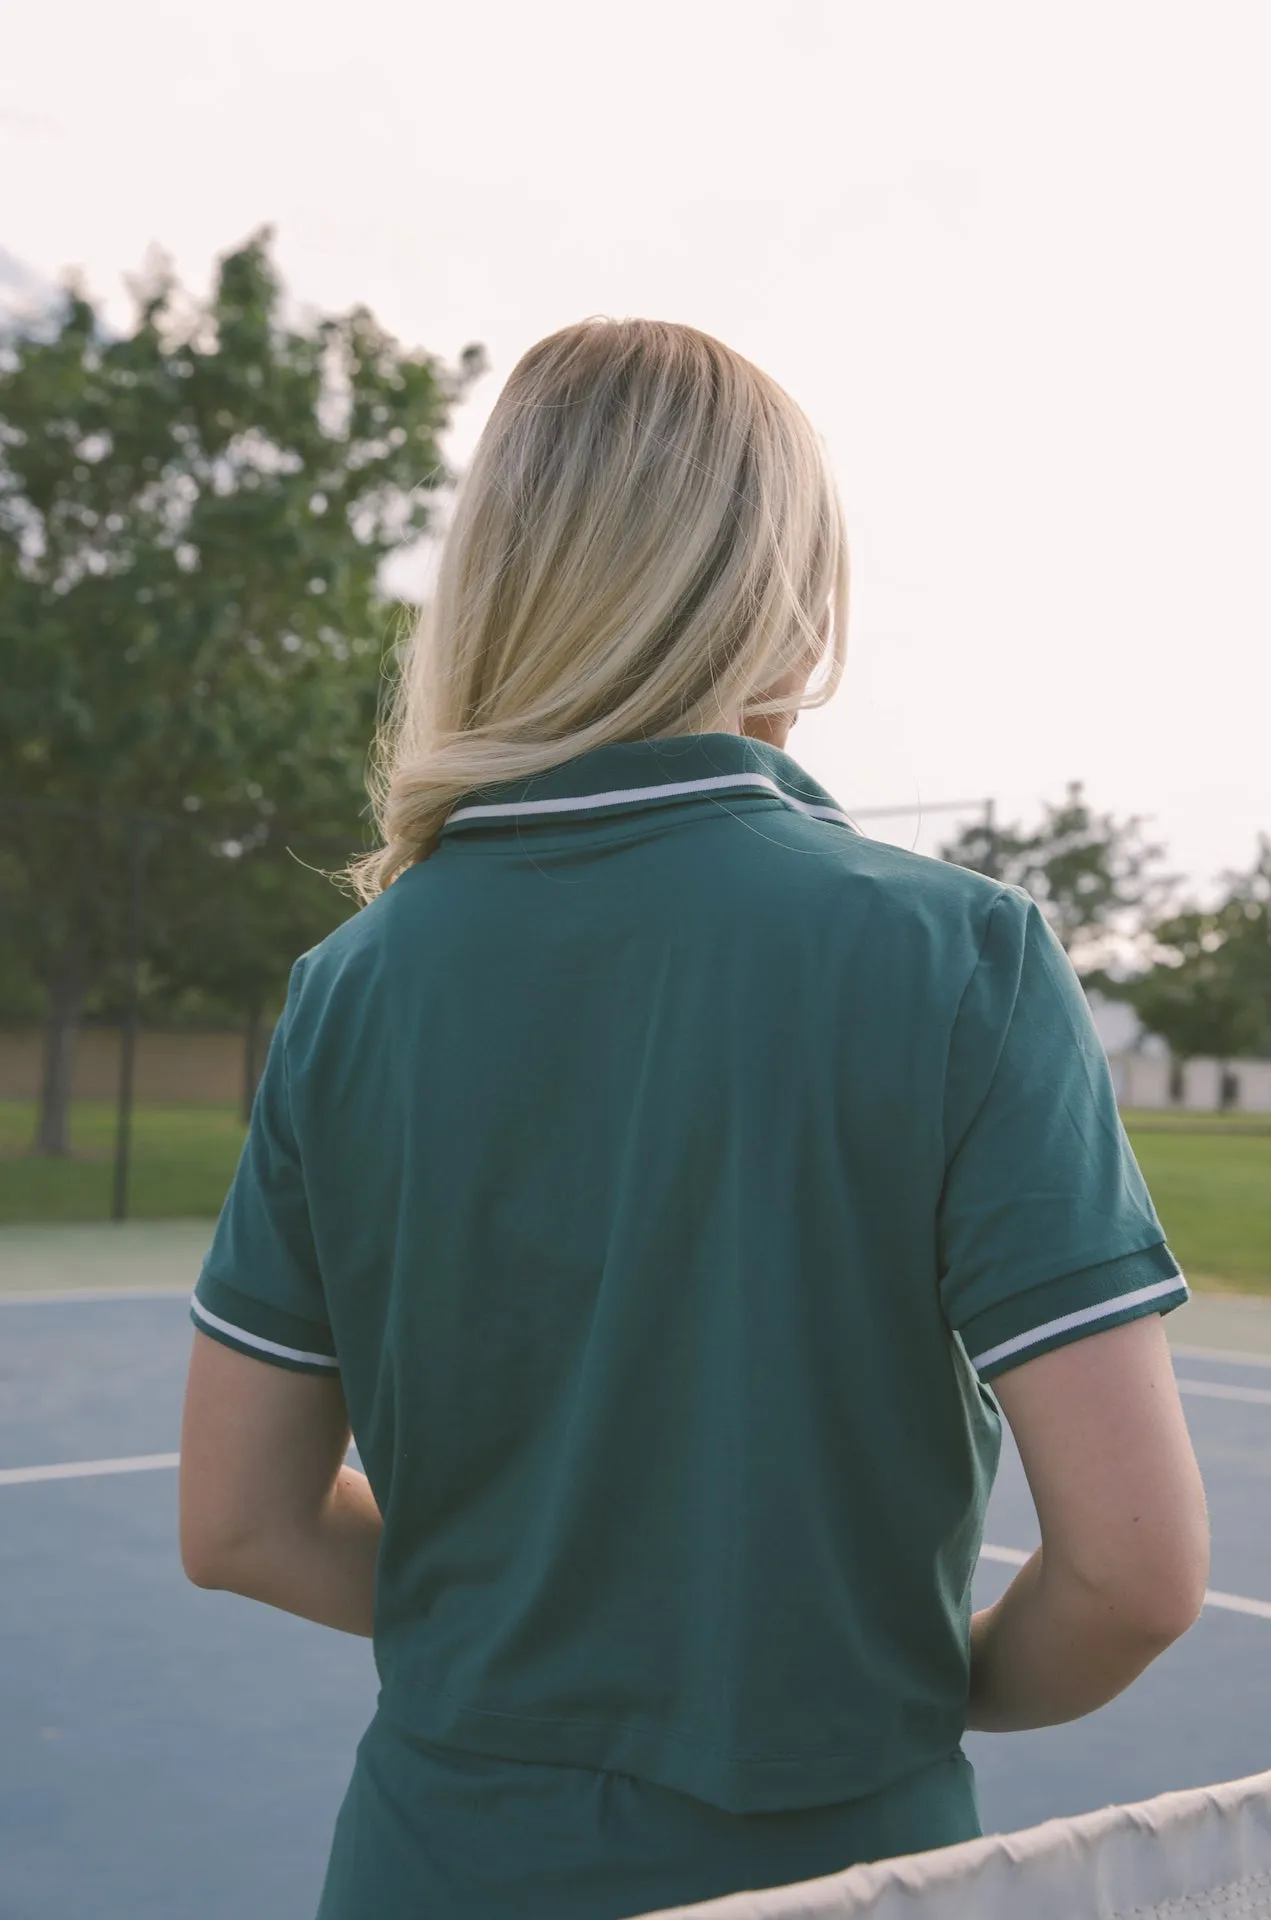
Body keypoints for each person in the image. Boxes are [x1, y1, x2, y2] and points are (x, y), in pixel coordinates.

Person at [177, 318, 1210, 1920]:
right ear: (789, 604)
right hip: (843, 1862)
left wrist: (509, 1651)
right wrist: (909, 1686)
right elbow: (1136, 1576)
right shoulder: (955, 955)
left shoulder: (349, 988)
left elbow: (238, 1523)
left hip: (427, 1867)